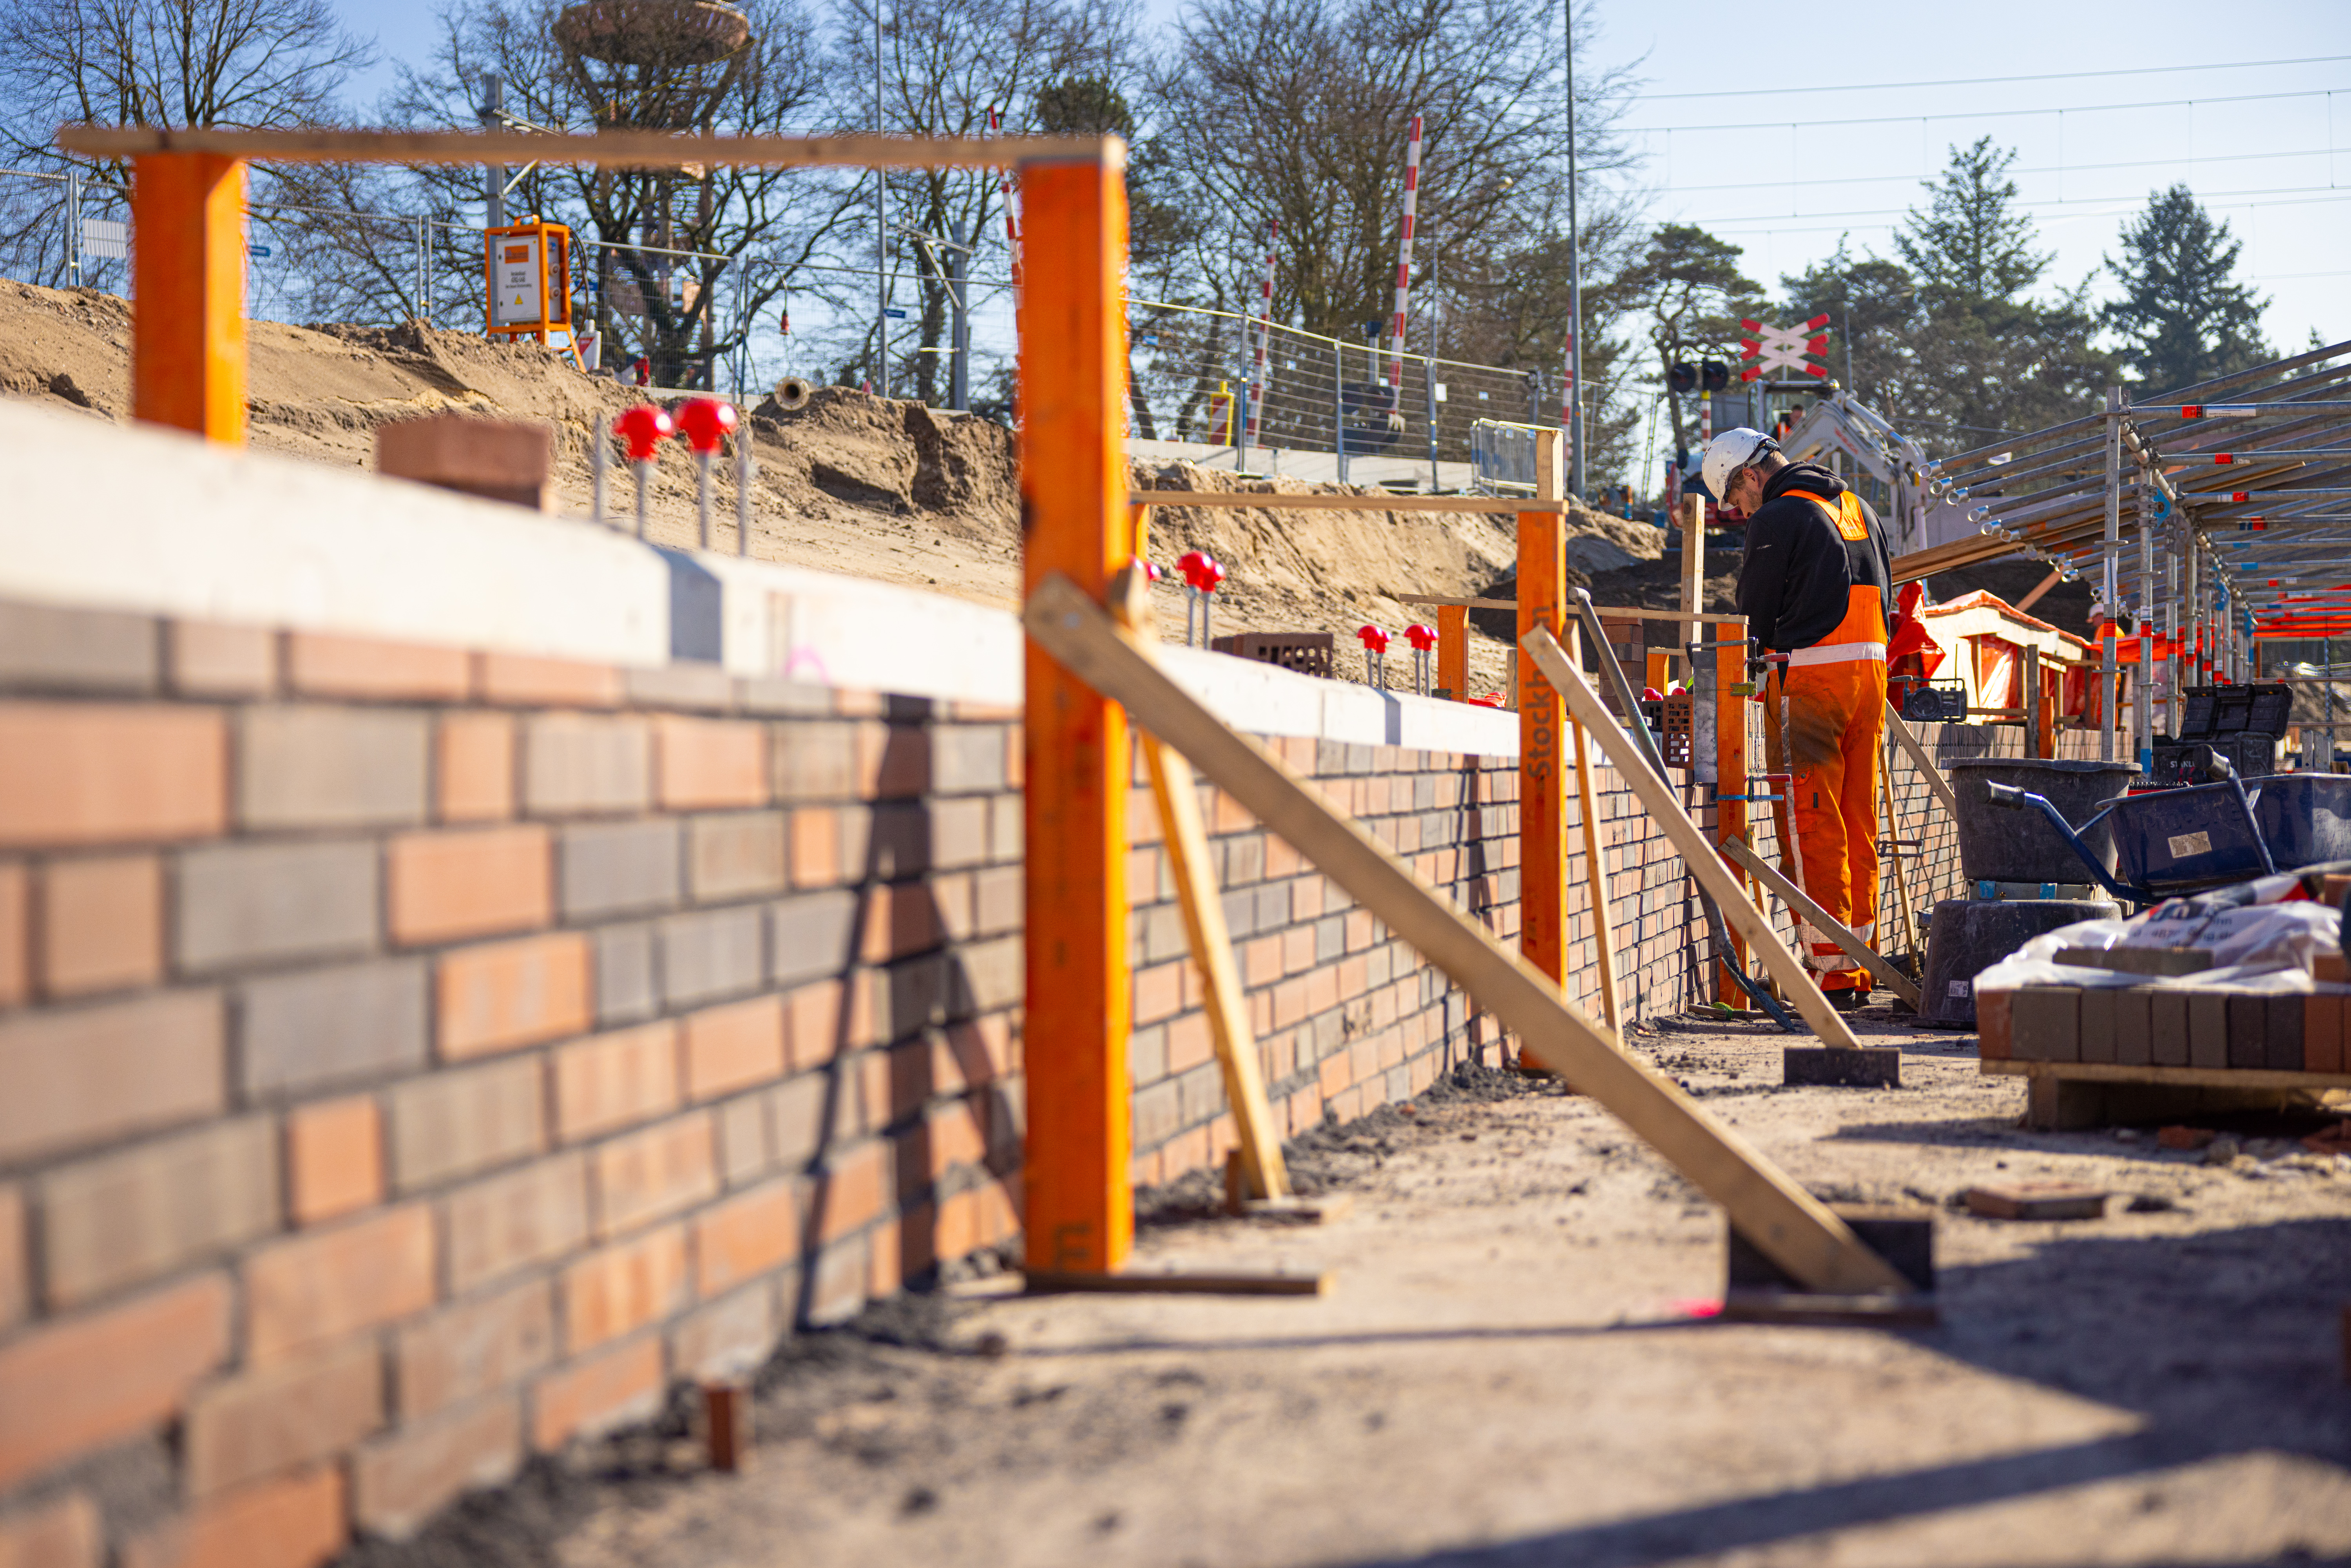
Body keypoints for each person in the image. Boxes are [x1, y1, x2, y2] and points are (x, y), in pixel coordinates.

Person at [1704, 427, 1902, 1009]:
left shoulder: (1778, 518)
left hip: (1814, 682)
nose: (1743, 513)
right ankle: (1859, 961)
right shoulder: (1856, 505)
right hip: (1870, 682)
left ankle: (1830, 973)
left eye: (1738, 501)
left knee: (1808, 823)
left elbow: (1755, 614)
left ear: (1750, 475)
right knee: (1858, 819)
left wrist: (1735, 674)